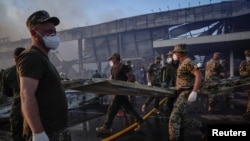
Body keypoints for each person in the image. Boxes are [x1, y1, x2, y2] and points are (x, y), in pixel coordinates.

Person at [16, 10, 70, 141]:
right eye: (48, 31)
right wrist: (38, 133)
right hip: (46, 132)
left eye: (54, 31)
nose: (53, 35)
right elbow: (26, 95)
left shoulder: (42, 57)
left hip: (55, 130)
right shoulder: (31, 57)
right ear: (34, 33)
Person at [96, 53, 144, 133]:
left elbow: (129, 76)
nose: (111, 60)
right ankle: (140, 121)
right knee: (129, 108)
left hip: (121, 91)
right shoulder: (112, 68)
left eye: (112, 59)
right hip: (117, 91)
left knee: (111, 109)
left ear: (116, 59)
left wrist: (126, 87)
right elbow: (111, 79)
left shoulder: (123, 67)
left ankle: (106, 127)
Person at [168, 44, 206, 141]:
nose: (174, 54)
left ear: (180, 53)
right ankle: (202, 127)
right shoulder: (182, 62)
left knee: (174, 117)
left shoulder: (187, 62)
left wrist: (194, 92)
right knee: (183, 118)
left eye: (175, 52)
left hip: (186, 93)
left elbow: (199, 75)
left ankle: (173, 138)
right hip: (181, 92)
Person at [1, 47, 25, 141]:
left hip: (18, 107)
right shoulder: (35, 68)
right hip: (36, 106)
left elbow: (6, 92)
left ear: (14, 58)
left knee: (17, 135)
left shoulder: (8, 72)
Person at [239, 50, 250, 121]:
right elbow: (241, 72)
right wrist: (247, 74)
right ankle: (248, 112)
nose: (248, 56)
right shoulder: (244, 63)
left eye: (249, 55)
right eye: (247, 55)